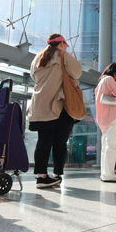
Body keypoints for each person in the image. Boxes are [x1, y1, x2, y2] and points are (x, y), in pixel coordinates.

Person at [27, 34, 83, 188]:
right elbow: (77, 73)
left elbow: (33, 76)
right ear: (61, 44)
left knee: (43, 141)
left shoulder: (38, 57)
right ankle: (57, 174)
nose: (66, 47)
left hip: (39, 104)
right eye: (65, 45)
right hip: (58, 105)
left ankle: (41, 176)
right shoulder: (63, 56)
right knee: (60, 142)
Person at [94, 63, 116, 182]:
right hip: (111, 115)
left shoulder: (101, 81)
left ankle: (105, 173)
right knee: (112, 145)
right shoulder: (109, 79)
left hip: (103, 117)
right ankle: (109, 174)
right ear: (115, 72)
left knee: (106, 146)